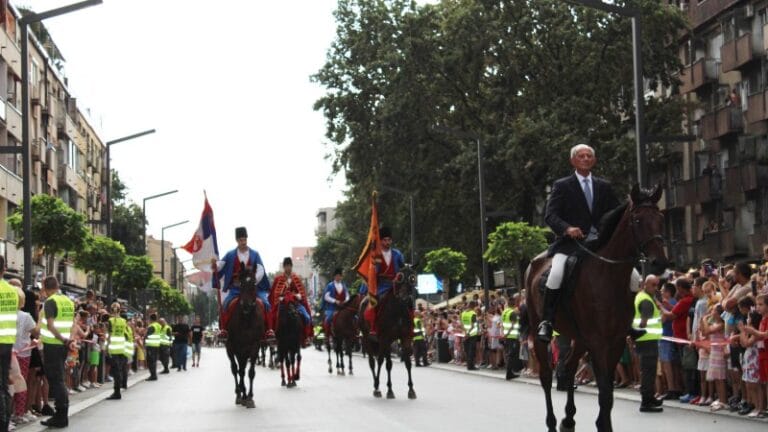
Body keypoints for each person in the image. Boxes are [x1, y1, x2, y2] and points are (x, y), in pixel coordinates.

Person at [538, 144, 621, 342]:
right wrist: (567, 228)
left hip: (600, 243)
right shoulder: (562, 185)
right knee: (556, 273)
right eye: (581, 156)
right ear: (573, 161)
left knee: (633, 277)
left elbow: (615, 212)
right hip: (570, 244)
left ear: (594, 160)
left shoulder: (604, 186)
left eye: (589, 156)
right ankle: (547, 321)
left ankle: (627, 321)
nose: (585, 159)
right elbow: (550, 215)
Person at [211, 227, 272, 339]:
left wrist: (253, 282)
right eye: (240, 240)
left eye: (244, 239)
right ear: (237, 240)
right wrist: (215, 265)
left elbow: (260, 270)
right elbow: (221, 264)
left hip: (252, 289)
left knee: (266, 304)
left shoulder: (255, 254)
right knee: (225, 306)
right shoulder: (230, 255)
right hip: (236, 289)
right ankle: (224, 330)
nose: (243, 242)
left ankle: (269, 331)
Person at [39, 276, 73, 428]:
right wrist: (68, 341)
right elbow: (71, 325)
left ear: (45, 287)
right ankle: (62, 413)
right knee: (60, 378)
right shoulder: (68, 301)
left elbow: (51, 326)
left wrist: (63, 339)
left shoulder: (50, 302)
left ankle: (60, 416)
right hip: (63, 345)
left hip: (53, 344)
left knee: (56, 379)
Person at [359, 227, 405, 340]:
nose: (387, 242)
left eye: (389, 240)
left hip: (395, 286)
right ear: (380, 241)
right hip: (380, 286)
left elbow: (402, 268)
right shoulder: (375, 255)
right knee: (375, 302)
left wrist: (401, 275)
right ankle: (373, 328)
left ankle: (408, 328)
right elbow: (370, 272)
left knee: (406, 302)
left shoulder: (397, 254)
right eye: (385, 240)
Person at [634, 274, 663, 412]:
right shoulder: (646, 301)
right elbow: (644, 322)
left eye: (657, 285)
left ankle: (650, 397)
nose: (656, 288)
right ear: (646, 284)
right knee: (648, 372)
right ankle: (646, 402)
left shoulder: (643, 297)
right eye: (653, 285)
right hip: (647, 340)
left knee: (648, 371)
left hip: (644, 340)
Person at [270, 257, 312, 345]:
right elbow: (274, 293)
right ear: (284, 267)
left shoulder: (296, 278)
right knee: (274, 316)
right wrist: (280, 297)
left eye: (289, 266)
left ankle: (306, 337)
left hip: (295, 303)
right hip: (282, 303)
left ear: (291, 266)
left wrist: (298, 295)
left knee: (307, 316)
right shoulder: (278, 279)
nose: (288, 268)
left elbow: (301, 292)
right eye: (286, 266)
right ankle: (274, 335)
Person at [0, 257, 19, 431]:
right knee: (3, 383)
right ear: (4, 269)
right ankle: (5, 422)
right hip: (7, 342)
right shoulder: (12, 291)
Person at [105, 302, 127, 400]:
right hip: (121, 348)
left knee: (116, 372)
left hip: (113, 349)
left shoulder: (110, 321)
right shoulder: (123, 321)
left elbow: (108, 336)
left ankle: (117, 392)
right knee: (119, 370)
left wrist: (106, 348)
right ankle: (118, 390)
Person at [501, 300, 521, 380]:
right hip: (512, 336)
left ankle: (510, 372)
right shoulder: (512, 313)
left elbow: (502, 324)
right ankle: (509, 373)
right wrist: (507, 334)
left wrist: (503, 334)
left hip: (507, 336)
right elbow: (512, 325)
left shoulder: (505, 312)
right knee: (511, 355)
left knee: (509, 354)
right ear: (514, 304)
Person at [461, 301, 480, 371]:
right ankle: (471, 366)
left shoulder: (463, 313)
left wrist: (465, 333)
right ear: (473, 306)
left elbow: (462, 324)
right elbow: (472, 325)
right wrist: (468, 333)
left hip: (465, 334)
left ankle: (469, 365)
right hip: (472, 335)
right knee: (471, 350)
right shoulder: (473, 314)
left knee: (467, 350)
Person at [144, 314, 161, 381]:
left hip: (151, 345)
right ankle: (154, 375)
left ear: (150, 319)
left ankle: (153, 375)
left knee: (151, 361)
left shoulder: (151, 326)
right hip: (156, 345)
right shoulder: (158, 325)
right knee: (154, 361)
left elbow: (147, 335)